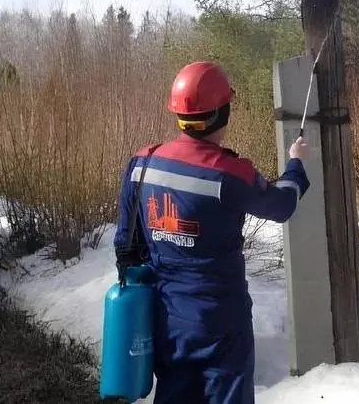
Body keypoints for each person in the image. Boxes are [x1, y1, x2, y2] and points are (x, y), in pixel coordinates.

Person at [113, 60, 311, 404]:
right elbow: (282, 205)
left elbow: (126, 245)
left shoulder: (142, 164)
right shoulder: (229, 173)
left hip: (167, 318)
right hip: (221, 325)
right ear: (222, 114)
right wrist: (296, 163)